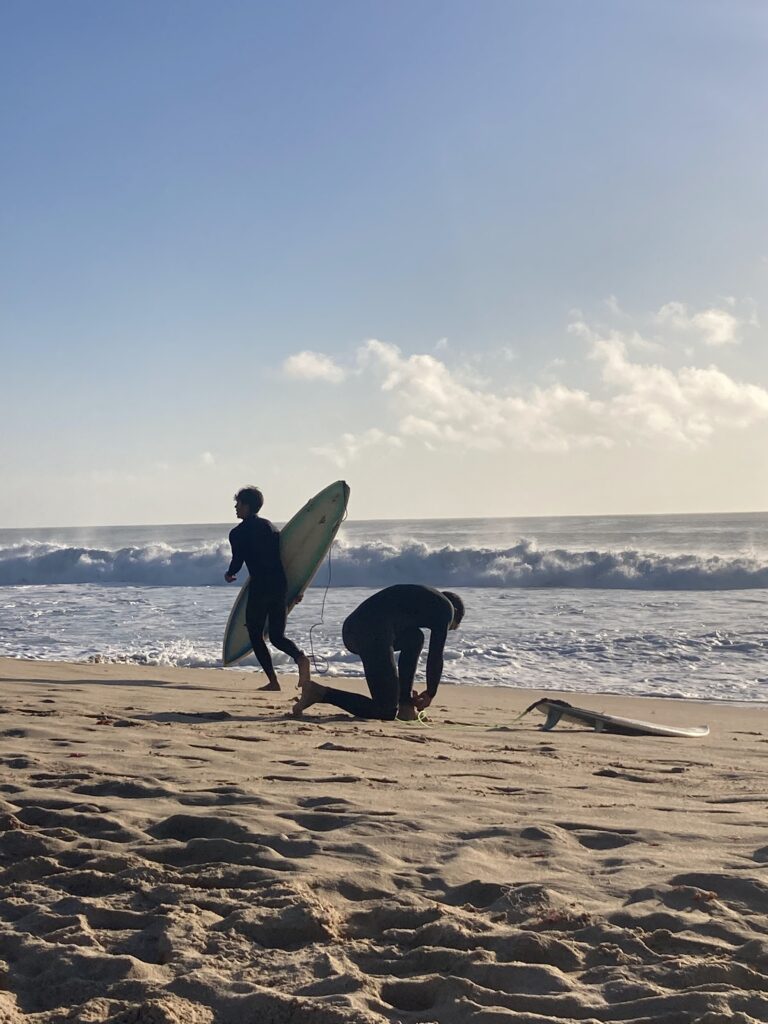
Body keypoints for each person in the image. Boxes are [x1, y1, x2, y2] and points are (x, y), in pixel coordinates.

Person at [292, 584, 464, 721]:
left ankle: (405, 705)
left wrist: (405, 696)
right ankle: (320, 693)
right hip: (370, 631)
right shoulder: (445, 609)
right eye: (451, 627)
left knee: (415, 637)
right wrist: (431, 692)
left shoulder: (424, 601)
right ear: (454, 612)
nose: (447, 629)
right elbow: (435, 655)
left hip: (356, 629)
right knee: (386, 710)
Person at [225, 486, 310, 692]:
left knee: (255, 635)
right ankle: (300, 658)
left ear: (247, 506)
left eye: (238, 504)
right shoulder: (270, 527)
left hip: (260, 586)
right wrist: (296, 589)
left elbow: (238, 560)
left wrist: (230, 574)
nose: (236, 508)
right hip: (280, 584)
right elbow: (287, 559)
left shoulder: (237, 533)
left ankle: (273, 681)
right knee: (277, 636)